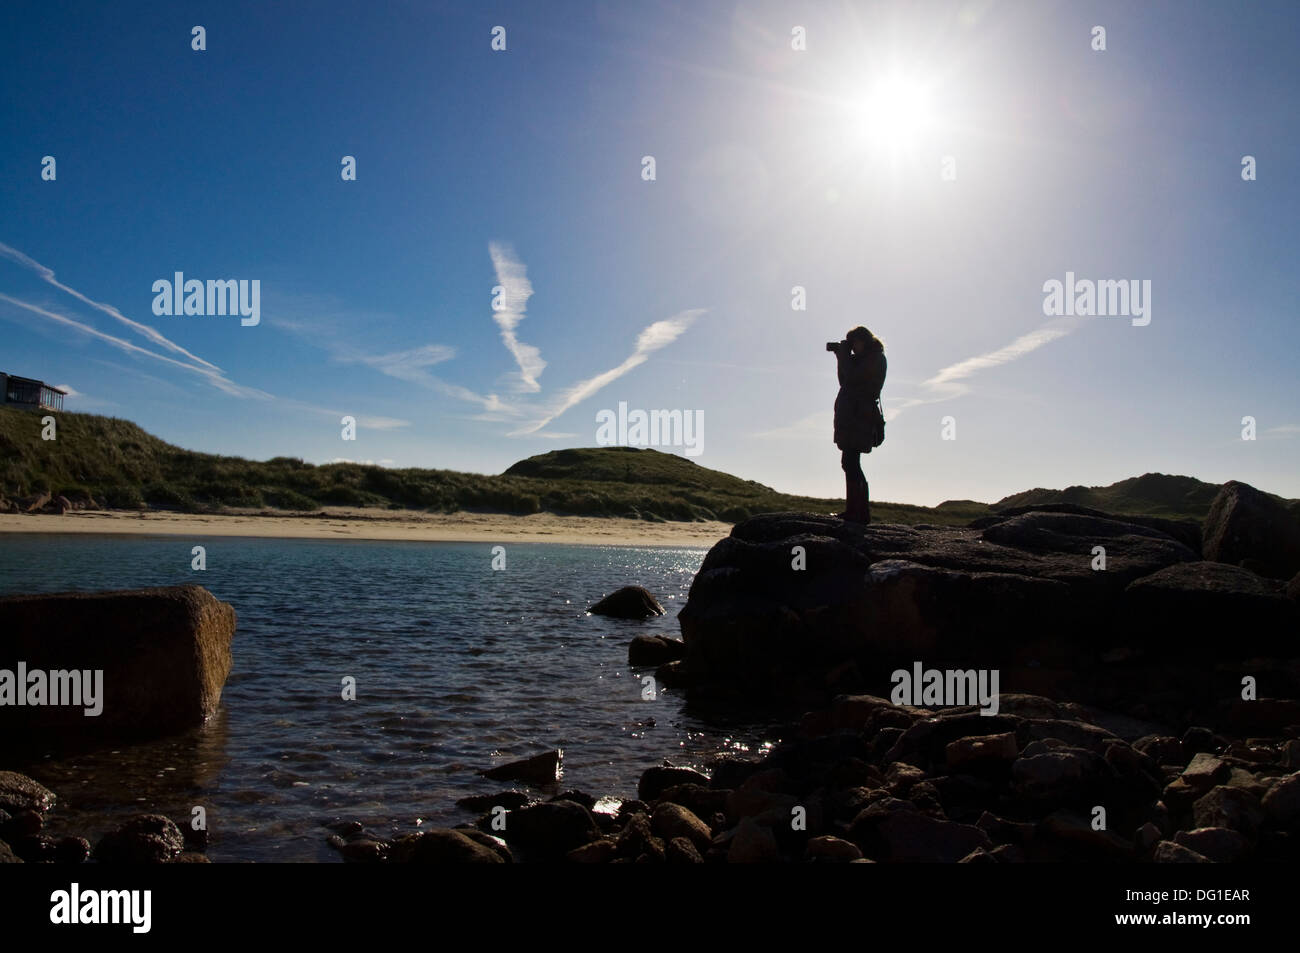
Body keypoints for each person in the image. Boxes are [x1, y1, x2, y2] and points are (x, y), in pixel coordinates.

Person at [830, 326, 886, 523]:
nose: (852, 347)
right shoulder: (862, 359)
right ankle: (856, 511)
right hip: (853, 416)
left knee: (851, 463)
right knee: (850, 463)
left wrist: (844, 356)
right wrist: (841, 358)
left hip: (860, 416)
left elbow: (853, 379)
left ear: (864, 340)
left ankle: (859, 513)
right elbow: (844, 381)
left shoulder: (875, 358)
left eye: (854, 342)